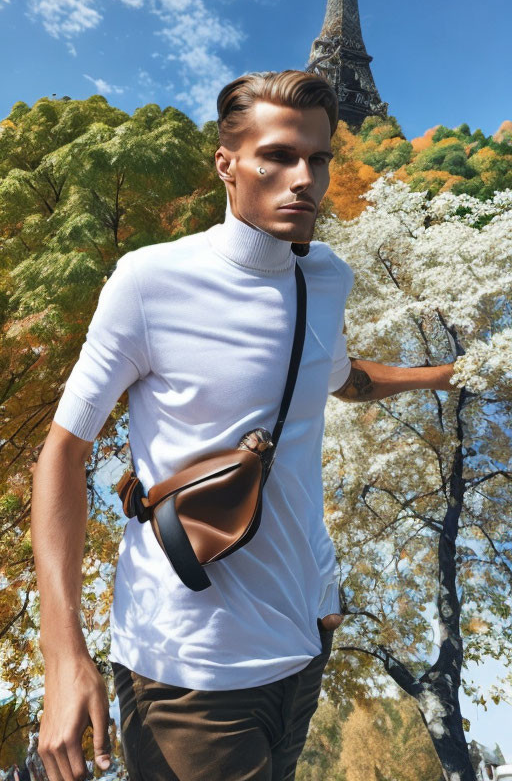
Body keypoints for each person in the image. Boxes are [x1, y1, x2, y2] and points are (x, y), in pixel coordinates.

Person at [31, 70, 454, 781]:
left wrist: (452, 375)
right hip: (192, 669)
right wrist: (62, 650)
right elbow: (62, 451)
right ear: (226, 165)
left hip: (304, 639)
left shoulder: (326, 278)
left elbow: (336, 377)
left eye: (317, 159)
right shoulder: (149, 281)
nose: (304, 179)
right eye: (279, 157)